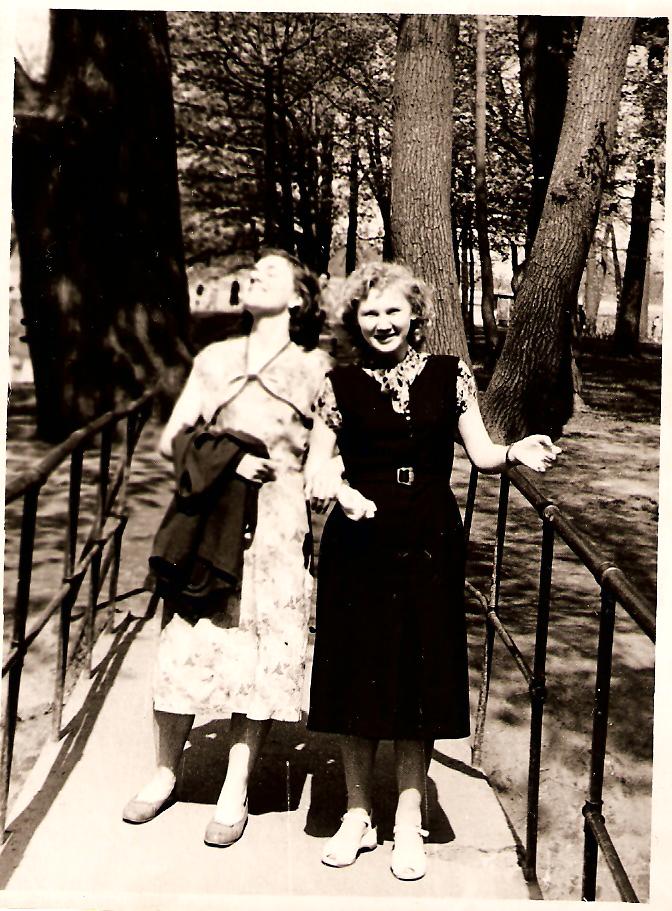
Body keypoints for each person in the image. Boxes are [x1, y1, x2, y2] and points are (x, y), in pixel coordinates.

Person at [305, 262, 560, 881]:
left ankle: (407, 819)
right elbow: (315, 469)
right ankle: (358, 814)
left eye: (393, 310)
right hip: (359, 541)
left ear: (415, 315)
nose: (382, 322)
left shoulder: (451, 374)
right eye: (369, 312)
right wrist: (341, 492)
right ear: (355, 320)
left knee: (418, 677)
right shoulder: (337, 384)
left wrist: (516, 449)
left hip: (428, 539)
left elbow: (482, 453)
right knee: (357, 674)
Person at [123, 250, 329, 847]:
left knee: (261, 654)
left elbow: (327, 450)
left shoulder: (316, 369)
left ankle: (235, 786)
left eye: (272, 272)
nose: (255, 276)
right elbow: (172, 439)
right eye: (253, 270)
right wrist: (229, 461)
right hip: (213, 523)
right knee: (184, 642)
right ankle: (165, 773)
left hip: (279, 528)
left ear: (299, 298)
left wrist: (326, 478)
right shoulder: (215, 359)